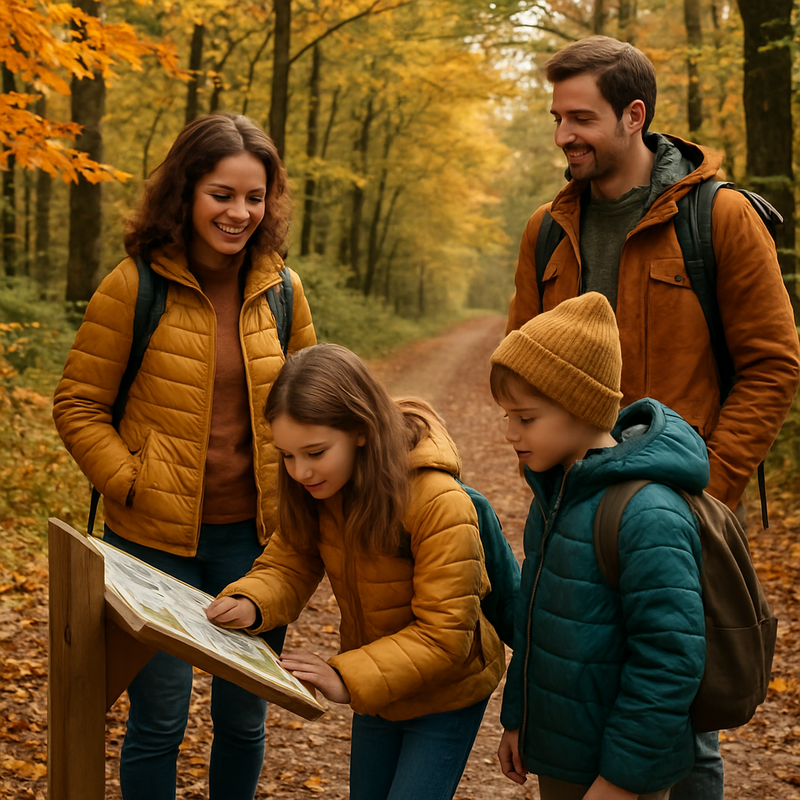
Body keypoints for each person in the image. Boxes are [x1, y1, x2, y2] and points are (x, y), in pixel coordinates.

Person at [506, 35, 800, 798]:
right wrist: (542, 468)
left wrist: (708, 491)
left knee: (679, 718)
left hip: (671, 514)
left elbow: (773, 363)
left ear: (634, 116)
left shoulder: (721, 218)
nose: (564, 134)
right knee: (580, 694)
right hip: (573, 510)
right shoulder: (547, 230)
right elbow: (520, 360)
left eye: (581, 117)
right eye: (556, 117)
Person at [53, 112, 316, 800]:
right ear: (186, 193)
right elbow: (78, 404)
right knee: (158, 721)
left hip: (257, 547)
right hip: (151, 544)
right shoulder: (133, 285)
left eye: (253, 197)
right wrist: (130, 480)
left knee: (243, 719)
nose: (239, 212)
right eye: (221, 194)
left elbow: (318, 408)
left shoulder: (283, 292)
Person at [205, 343, 506, 800]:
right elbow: (291, 559)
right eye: (286, 455)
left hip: (447, 692)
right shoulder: (322, 488)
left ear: (361, 430)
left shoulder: (438, 503)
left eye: (315, 452)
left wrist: (347, 677)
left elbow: (447, 635)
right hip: (379, 690)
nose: (301, 471)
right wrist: (251, 600)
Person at [492, 292, 706, 800]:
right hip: (563, 756)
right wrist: (519, 720)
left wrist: (620, 780)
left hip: (621, 774)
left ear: (581, 407)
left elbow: (670, 659)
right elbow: (536, 621)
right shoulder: (556, 493)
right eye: (506, 416)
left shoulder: (647, 512)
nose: (508, 433)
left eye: (525, 418)